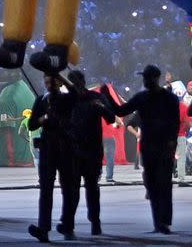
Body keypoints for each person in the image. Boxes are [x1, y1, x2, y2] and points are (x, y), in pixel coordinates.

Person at [100, 64, 179, 235]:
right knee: (161, 184)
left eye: (146, 77)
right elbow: (175, 122)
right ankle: (162, 222)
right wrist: (172, 142)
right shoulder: (168, 98)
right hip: (161, 146)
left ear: (153, 78)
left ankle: (160, 222)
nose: (144, 80)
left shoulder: (145, 98)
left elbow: (120, 110)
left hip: (153, 146)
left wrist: (106, 96)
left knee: (156, 185)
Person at [27, 72, 79, 243]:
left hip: (65, 148)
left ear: (58, 82)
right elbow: (31, 123)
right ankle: (43, 229)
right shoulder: (42, 100)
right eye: (47, 81)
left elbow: (76, 92)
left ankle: (68, 225)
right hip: (48, 149)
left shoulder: (65, 99)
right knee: (45, 190)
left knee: (69, 190)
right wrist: (42, 119)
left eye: (52, 81)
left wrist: (62, 77)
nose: (49, 84)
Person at [68, 70, 115, 236]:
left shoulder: (93, 99)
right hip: (75, 150)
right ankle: (71, 224)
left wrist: (101, 105)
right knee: (76, 190)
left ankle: (94, 222)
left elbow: (110, 117)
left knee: (90, 189)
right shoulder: (68, 100)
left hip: (90, 151)